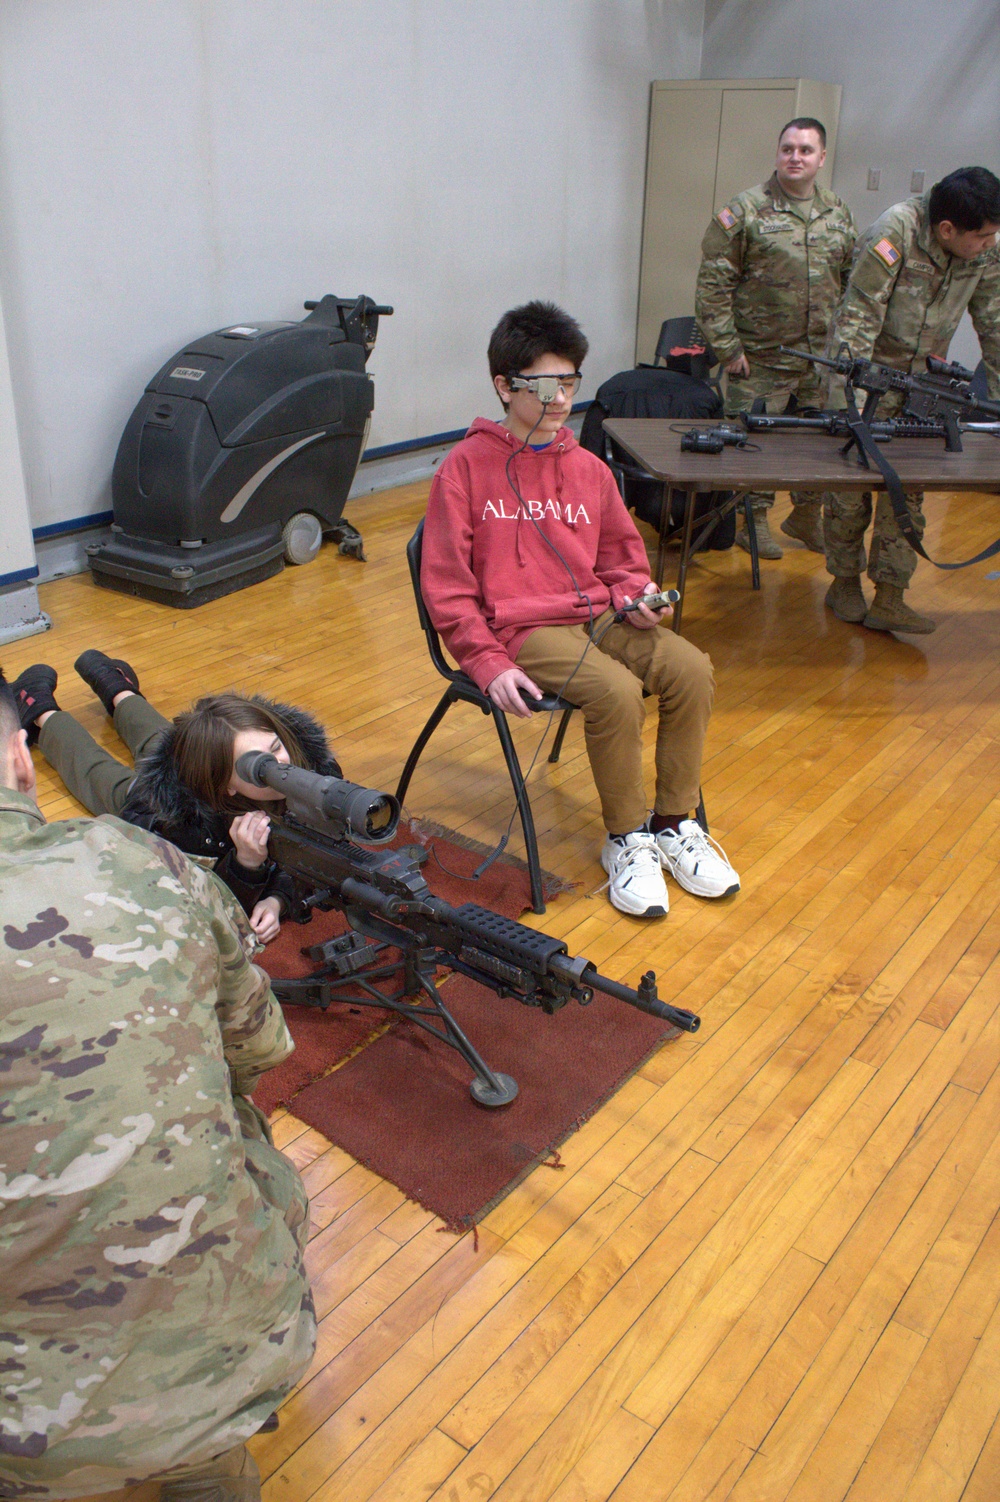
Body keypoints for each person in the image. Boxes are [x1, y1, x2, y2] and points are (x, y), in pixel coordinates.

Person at [0, 666, 315, 1500]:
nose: (273, 770)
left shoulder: (302, 781)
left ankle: (120, 690)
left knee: (153, 728)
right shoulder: (149, 845)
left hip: (23, 1432)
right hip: (164, 799)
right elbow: (255, 1050)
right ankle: (47, 708)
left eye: (278, 757)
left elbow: (306, 872)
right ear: (20, 765)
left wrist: (266, 884)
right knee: (109, 770)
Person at [420, 300, 739, 919]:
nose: (562, 400)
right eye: (545, 386)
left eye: (570, 383)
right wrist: (485, 663)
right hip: (520, 629)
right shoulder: (463, 470)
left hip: (598, 615)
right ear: (504, 386)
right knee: (616, 692)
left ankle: (674, 825)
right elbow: (447, 590)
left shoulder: (588, 469)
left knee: (691, 668)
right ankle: (626, 839)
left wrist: (635, 598)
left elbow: (623, 560)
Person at [11, 651, 341, 941]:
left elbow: (317, 851)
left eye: (276, 748)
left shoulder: (317, 772)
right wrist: (246, 865)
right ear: (225, 785)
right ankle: (40, 711)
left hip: (202, 765)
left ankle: (118, 688)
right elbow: (200, 904)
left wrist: (277, 899)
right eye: (256, 767)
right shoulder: (184, 823)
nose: (280, 766)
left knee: (166, 739)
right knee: (98, 773)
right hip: (156, 809)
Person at [823, 165, 1000, 634]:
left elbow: (996, 327)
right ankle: (843, 582)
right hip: (871, 378)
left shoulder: (984, 248)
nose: (989, 243)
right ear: (946, 230)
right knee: (852, 490)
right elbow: (857, 318)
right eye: (982, 236)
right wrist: (850, 406)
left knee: (910, 493)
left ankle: (891, 596)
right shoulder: (895, 230)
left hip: (925, 385)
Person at [696, 117, 857, 559]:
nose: (795, 157)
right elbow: (713, 285)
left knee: (820, 444)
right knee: (754, 445)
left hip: (819, 359)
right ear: (777, 153)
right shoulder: (744, 210)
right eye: (788, 148)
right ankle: (752, 522)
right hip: (759, 357)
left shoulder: (837, 211)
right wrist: (728, 349)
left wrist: (845, 347)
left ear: (821, 158)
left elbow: (849, 280)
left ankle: (805, 516)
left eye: (806, 150)